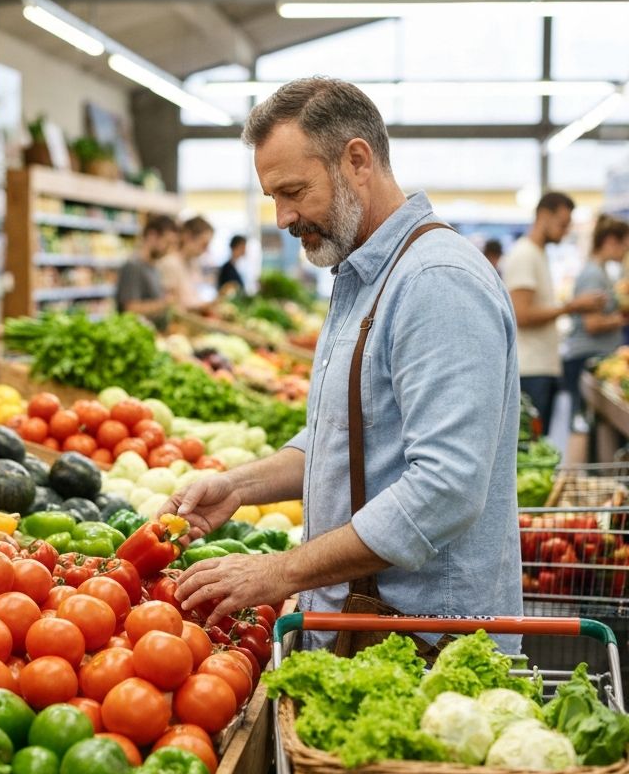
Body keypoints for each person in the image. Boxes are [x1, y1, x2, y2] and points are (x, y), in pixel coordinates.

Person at [164, 77, 523, 655]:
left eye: (294, 191)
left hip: (424, 648)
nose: (282, 217)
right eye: (273, 198)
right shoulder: (363, 276)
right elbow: (338, 437)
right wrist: (237, 486)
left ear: (357, 160)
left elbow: (446, 487)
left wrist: (283, 571)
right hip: (368, 630)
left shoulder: (435, 283)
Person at [504, 192, 606, 436]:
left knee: (541, 445)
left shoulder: (537, 254)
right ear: (543, 215)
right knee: (532, 450)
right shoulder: (524, 254)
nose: (566, 230)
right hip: (530, 371)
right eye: (562, 223)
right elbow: (522, 314)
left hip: (542, 368)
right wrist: (572, 307)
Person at [562, 215, 629, 428]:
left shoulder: (600, 272)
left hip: (589, 355)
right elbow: (592, 324)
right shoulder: (593, 275)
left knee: (588, 424)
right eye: (625, 245)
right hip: (586, 357)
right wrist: (620, 320)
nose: (626, 251)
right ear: (610, 241)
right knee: (582, 424)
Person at [115, 213, 180, 325]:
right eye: (167, 243)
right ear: (152, 235)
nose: (169, 249)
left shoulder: (154, 267)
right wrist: (166, 302)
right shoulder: (133, 267)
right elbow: (131, 309)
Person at [159, 215, 215, 308]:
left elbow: (194, 297)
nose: (206, 250)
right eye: (204, 244)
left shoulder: (194, 263)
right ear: (188, 236)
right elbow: (173, 307)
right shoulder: (170, 263)